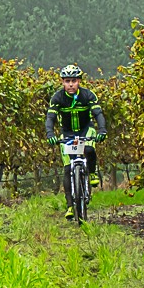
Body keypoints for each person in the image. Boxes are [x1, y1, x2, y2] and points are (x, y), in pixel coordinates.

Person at [45, 64, 105, 219]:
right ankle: (70, 206)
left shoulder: (88, 95)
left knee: (89, 150)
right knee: (67, 169)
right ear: (62, 82)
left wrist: (102, 130)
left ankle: (91, 173)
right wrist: (50, 133)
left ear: (79, 81)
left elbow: (98, 113)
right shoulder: (57, 98)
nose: (70, 84)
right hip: (67, 134)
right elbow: (50, 118)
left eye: (73, 81)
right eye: (67, 81)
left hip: (86, 130)